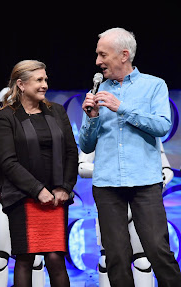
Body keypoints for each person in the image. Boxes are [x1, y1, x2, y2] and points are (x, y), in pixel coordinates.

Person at [79, 27, 181, 287]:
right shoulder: (97, 90)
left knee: (158, 251)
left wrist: (121, 108)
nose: (97, 62)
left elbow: (162, 126)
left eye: (103, 55)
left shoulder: (154, 86)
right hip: (107, 184)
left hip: (145, 181)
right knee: (115, 256)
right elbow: (87, 146)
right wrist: (91, 119)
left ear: (124, 55)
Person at [0, 60, 78, 287]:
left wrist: (64, 188)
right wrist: (37, 190)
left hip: (56, 198)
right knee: (25, 258)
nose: (44, 85)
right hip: (22, 197)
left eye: (46, 79)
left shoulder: (57, 111)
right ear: (21, 84)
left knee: (55, 258)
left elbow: (71, 152)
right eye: (39, 80)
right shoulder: (6, 117)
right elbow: (7, 162)